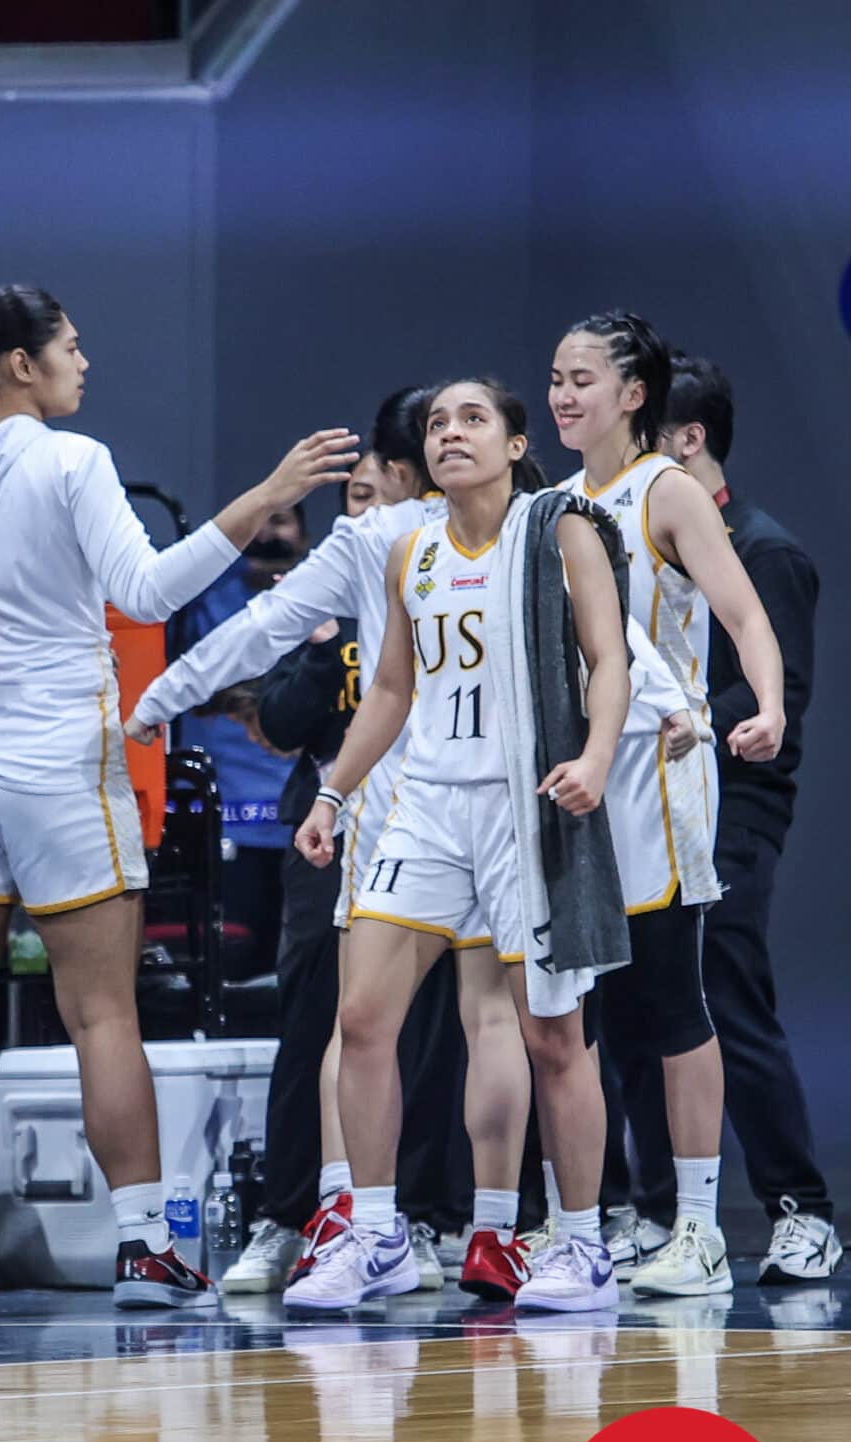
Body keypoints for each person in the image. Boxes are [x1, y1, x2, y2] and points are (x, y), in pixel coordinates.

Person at [0, 284, 354, 1313]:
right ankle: (145, 1248)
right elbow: (146, 593)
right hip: (60, 759)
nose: (83, 361)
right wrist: (266, 489)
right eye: (70, 345)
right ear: (22, 363)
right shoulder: (73, 459)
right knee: (102, 1012)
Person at [292, 377, 632, 1313]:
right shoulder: (412, 550)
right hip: (428, 808)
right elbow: (392, 692)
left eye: (473, 419)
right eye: (438, 423)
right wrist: (332, 793)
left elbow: (610, 661)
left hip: (526, 807)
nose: (450, 434)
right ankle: (373, 1235)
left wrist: (597, 757)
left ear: (518, 444)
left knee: (553, 1038)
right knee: (361, 1020)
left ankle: (580, 1244)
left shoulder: (560, 530)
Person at [149, 388, 465, 1293]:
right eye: (354, 497)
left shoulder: (511, 535)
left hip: (477, 816)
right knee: (332, 1019)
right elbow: (274, 681)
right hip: (353, 821)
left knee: (474, 1027)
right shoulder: (354, 566)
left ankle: (458, 1221)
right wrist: (168, 695)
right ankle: (309, 1217)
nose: (371, 510)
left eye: (378, 489)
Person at [546, 311, 787, 1286]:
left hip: (659, 766)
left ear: (633, 393)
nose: (562, 394)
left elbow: (742, 613)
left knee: (668, 998)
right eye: (553, 378)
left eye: (581, 378)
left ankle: (697, 1228)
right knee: (573, 1011)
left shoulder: (668, 492)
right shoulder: (550, 500)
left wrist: (764, 704)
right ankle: (583, 1222)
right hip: (576, 775)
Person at [625, 352, 838, 1287]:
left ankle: (802, 1211)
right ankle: (660, 1213)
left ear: (687, 439)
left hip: (733, 806)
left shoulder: (764, 550)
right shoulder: (625, 533)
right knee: (640, 996)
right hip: (645, 800)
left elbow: (770, 698)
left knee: (722, 990)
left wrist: (699, 728)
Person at [164, 500, 307, 976]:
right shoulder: (202, 603)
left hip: (308, 815)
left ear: (304, 536)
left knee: (303, 959)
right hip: (229, 819)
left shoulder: (328, 597)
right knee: (236, 959)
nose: (270, 534)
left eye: (282, 520)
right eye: (261, 523)